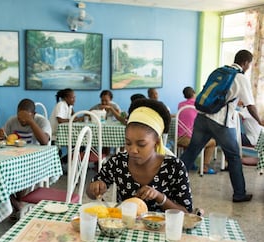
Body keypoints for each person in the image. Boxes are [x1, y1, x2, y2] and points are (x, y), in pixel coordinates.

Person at [180, 50, 264, 203]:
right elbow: (250, 105)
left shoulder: (218, 71)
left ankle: (170, 183)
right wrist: (259, 120)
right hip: (221, 122)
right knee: (233, 156)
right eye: (249, 65)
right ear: (245, 63)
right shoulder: (240, 77)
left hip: (202, 117)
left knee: (191, 152)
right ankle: (239, 194)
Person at [86, 98, 193, 213]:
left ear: (156, 142)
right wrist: (94, 188)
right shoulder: (118, 162)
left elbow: (186, 213)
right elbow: (91, 193)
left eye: (141, 144)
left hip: (161, 229)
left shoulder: (174, 167)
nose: (133, 150)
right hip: (126, 226)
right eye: (128, 143)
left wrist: (159, 197)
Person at [177, 86, 217, 174]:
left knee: (189, 135)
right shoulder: (198, 105)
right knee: (212, 142)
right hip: (191, 140)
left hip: (179, 139)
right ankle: (205, 167)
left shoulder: (180, 105)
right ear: (194, 94)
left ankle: (190, 164)